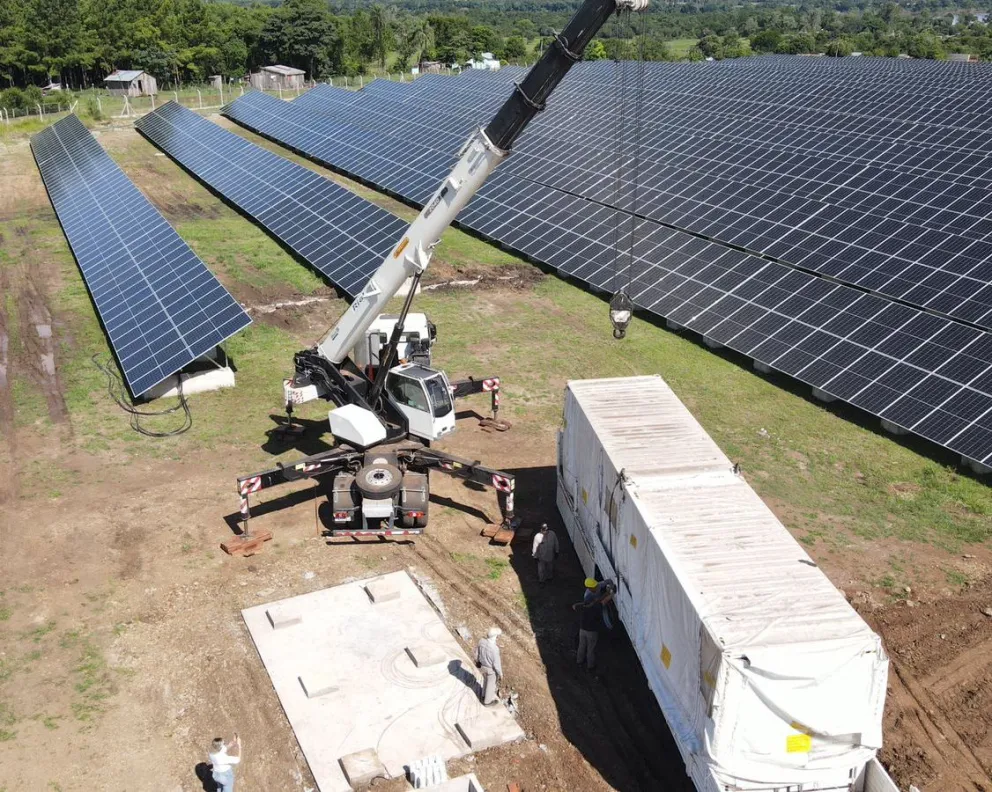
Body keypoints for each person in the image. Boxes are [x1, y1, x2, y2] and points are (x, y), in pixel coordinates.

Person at [475, 627, 503, 706]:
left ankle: (483, 696)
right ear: (494, 637)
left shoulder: (481, 641)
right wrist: (500, 674)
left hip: (482, 667)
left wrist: (477, 661)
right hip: (490, 670)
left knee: (485, 681)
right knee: (490, 685)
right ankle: (487, 702)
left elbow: (476, 653)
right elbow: (496, 664)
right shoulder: (494, 649)